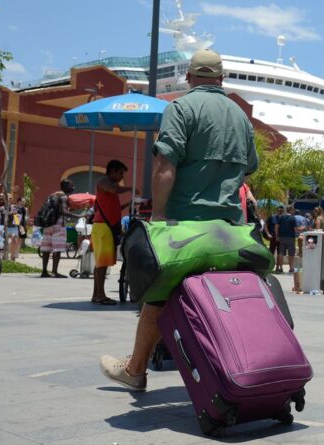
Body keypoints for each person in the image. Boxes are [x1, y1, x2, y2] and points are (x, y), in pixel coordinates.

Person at [99, 48, 259, 392]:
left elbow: (164, 165)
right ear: (222, 78)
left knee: (158, 295)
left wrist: (158, 216)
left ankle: (135, 370)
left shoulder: (181, 109)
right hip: (232, 233)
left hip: (187, 228)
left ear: (188, 77)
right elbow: (249, 168)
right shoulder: (241, 118)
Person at [91, 160, 134, 305]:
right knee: (102, 264)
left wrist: (128, 204)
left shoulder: (110, 187)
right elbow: (115, 190)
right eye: (120, 173)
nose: (121, 177)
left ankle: (96, 295)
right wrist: (130, 188)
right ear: (112, 171)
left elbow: (115, 208)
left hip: (105, 227)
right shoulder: (104, 182)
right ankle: (100, 295)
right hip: (103, 227)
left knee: (101, 263)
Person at [40, 180, 79, 278]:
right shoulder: (64, 197)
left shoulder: (52, 195)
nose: (73, 188)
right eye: (71, 186)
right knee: (57, 249)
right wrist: (79, 216)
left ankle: (44, 271)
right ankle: (54, 272)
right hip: (59, 225)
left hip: (48, 224)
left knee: (46, 249)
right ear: (65, 186)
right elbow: (64, 212)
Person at [276, 205, 298, 274]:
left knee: (281, 253)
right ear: (290, 210)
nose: (294, 211)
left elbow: (276, 227)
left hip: (282, 237)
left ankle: (280, 268)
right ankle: (291, 268)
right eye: (293, 210)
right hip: (290, 237)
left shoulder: (281, 217)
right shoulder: (293, 218)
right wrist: (298, 232)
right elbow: (295, 229)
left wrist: (277, 236)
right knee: (291, 254)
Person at [265, 205, 284, 273]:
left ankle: (277, 268)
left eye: (281, 210)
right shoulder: (272, 217)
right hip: (273, 237)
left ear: (283, 211)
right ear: (277, 210)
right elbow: (265, 226)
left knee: (280, 253)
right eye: (279, 210)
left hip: (281, 238)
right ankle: (270, 267)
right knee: (271, 253)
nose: (280, 211)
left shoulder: (284, 218)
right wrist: (268, 234)